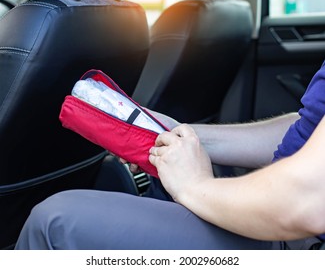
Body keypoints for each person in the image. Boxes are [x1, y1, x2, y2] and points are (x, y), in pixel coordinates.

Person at [14, 61, 325, 250]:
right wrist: (187, 135)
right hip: (288, 227)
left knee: (54, 223)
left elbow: (306, 203)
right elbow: (309, 128)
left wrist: (195, 185)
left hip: (297, 242)